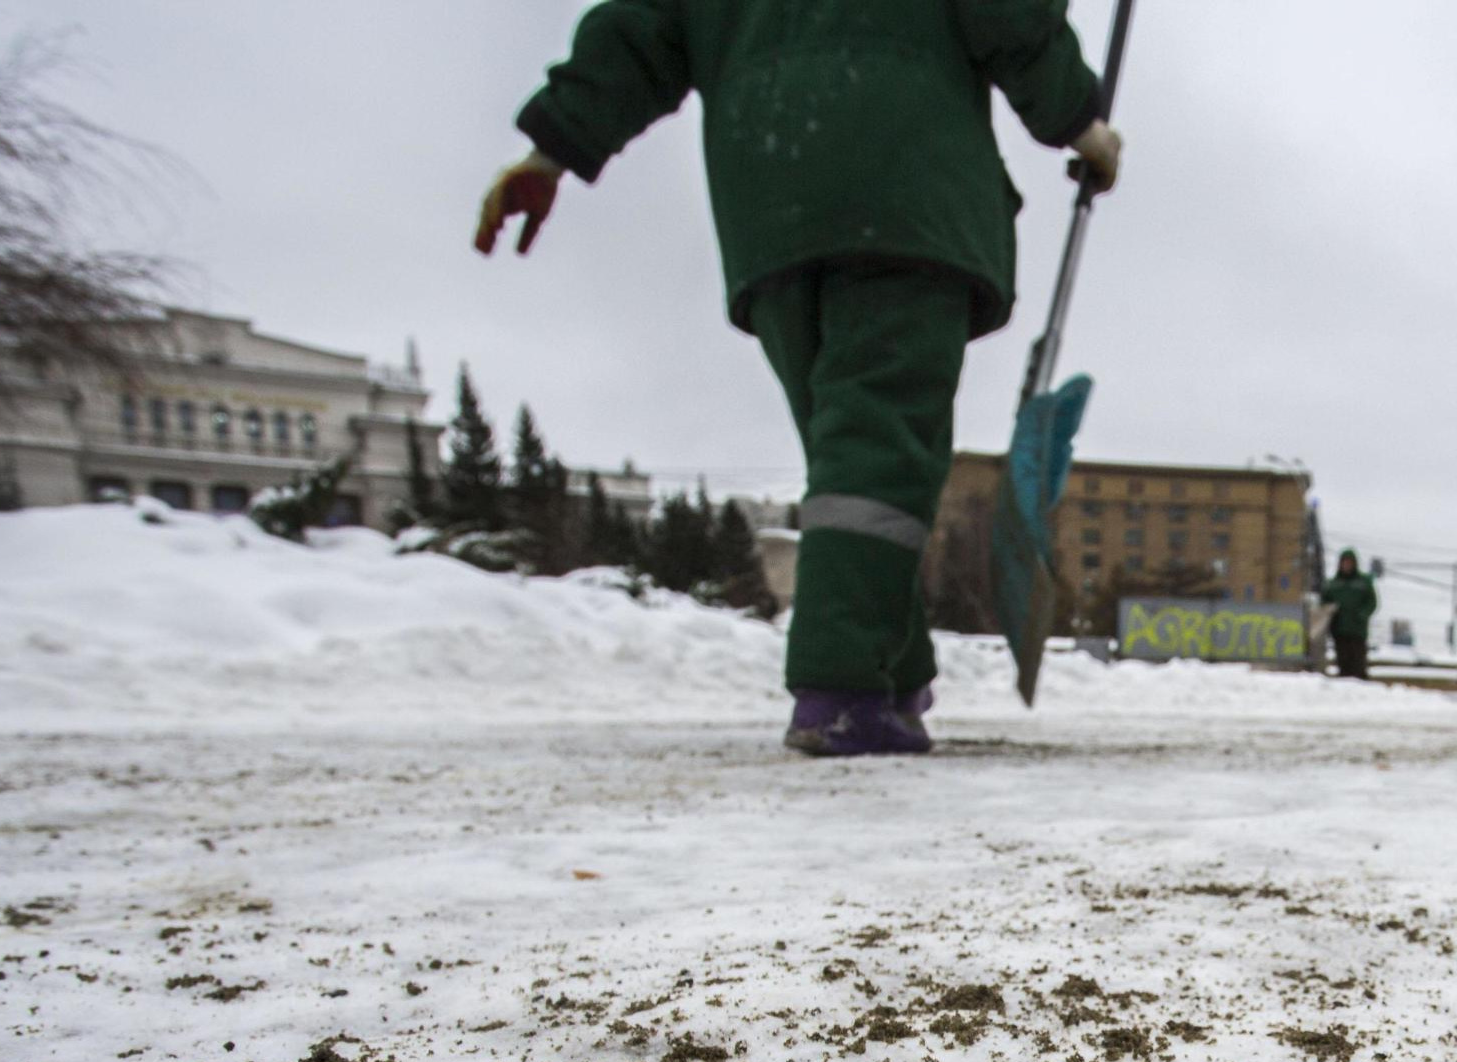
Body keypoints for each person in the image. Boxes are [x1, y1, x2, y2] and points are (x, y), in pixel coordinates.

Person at [478, 0, 1124, 759]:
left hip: (771, 196)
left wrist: (553, 150)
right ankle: (844, 687)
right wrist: (1082, 125)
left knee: (850, 456)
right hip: (903, 181)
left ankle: (895, 668)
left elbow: (641, 29)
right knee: (878, 448)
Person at [1321, 550, 1377, 680]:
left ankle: (1360, 685)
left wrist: (1363, 614)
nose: (1347, 565)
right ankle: (1344, 684)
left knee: (1358, 662)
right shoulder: (1333, 584)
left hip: (1358, 630)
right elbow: (1325, 603)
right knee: (1343, 661)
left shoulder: (1364, 583)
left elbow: (1372, 602)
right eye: (1344, 563)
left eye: (1349, 563)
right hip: (1339, 630)